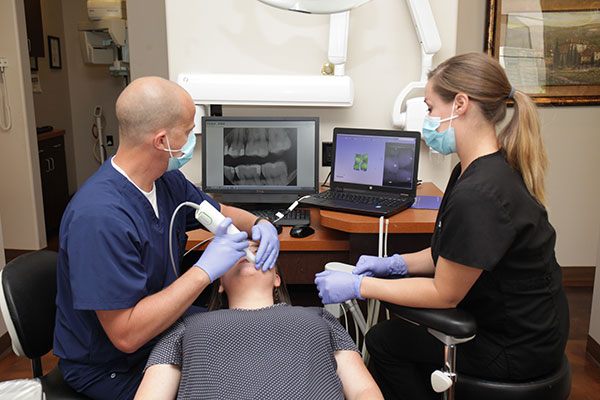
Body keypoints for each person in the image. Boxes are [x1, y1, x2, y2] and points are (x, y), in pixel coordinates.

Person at [315, 52, 569, 399]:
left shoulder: (480, 193)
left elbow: (444, 294)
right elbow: (450, 252)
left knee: (383, 341)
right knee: (397, 333)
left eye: (432, 108)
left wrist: (361, 287)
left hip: (516, 349)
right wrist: (395, 264)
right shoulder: (474, 170)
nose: (430, 119)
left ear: (460, 104)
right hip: (529, 330)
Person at [53, 77, 280, 400]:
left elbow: (219, 211)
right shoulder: (99, 218)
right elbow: (126, 336)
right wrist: (204, 271)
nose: (191, 141)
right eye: (188, 133)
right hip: (113, 364)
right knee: (231, 385)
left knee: (244, 347)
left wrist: (260, 223)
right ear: (161, 141)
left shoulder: (166, 181)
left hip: (161, 329)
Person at [134, 243, 383, 400]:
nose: (247, 253)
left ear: (277, 278)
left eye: (258, 250)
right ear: (219, 282)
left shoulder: (320, 318)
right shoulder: (185, 328)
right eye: (237, 252)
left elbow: (363, 390)